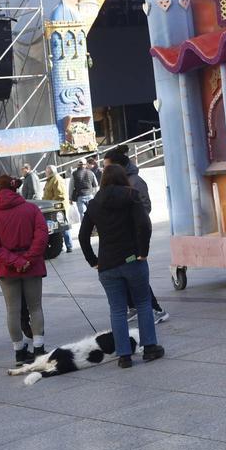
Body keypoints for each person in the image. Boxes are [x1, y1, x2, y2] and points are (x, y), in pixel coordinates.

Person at [79, 164, 164, 368]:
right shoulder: (131, 196)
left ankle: (124, 356)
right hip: (132, 259)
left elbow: (83, 236)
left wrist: (93, 260)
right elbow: (144, 225)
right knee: (143, 302)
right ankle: (150, 347)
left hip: (107, 264)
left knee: (117, 310)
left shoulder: (94, 203)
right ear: (123, 177)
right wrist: (143, 251)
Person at [0, 175, 48, 366]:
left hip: (7, 269)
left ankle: (19, 352)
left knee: (12, 310)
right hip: (32, 265)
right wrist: (27, 259)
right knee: (35, 307)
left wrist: (14, 261)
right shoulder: (31, 209)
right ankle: (39, 348)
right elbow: (42, 235)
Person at [103, 145, 168, 323]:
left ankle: (156, 309)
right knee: (125, 273)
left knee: (134, 274)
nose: (104, 171)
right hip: (122, 239)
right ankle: (133, 307)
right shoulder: (117, 185)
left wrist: (131, 222)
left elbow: (145, 208)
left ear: (117, 167)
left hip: (133, 239)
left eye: (107, 166)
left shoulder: (135, 182)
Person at [43, 166, 73, 254]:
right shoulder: (51, 180)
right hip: (52, 207)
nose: (45, 173)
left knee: (63, 225)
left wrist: (52, 204)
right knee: (58, 227)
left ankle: (69, 246)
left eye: (46, 171)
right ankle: (62, 246)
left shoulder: (56, 179)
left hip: (58, 208)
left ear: (50, 171)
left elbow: (60, 195)